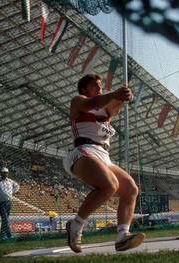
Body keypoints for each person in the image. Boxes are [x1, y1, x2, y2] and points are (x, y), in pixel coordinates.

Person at [63, 74, 144, 253]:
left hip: (103, 155)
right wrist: (115, 94)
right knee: (110, 185)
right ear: (84, 89)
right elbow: (96, 103)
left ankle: (123, 236)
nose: (99, 89)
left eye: (100, 86)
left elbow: (112, 108)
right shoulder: (78, 101)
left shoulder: (104, 112)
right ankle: (75, 226)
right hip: (83, 150)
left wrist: (124, 96)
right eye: (95, 86)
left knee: (131, 189)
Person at [0, 167, 19, 240]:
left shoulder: (10, 181)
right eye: (3, 172)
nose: (5, 174)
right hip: (0, 202)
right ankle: (2, 236)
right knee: (5, 219)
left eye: (6, 172)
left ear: (8, 173)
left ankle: (9, 235)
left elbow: (17, 186)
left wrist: (12, 192)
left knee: (5, 219)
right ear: (1, 173)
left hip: (8, 202)